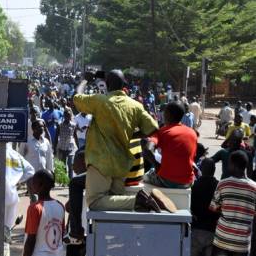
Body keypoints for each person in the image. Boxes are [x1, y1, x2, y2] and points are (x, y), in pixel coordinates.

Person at [73, 70, 173, 212]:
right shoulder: (135, 106)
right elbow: (154, 128)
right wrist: (131, 135)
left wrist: (84, 81)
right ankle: (140, 202)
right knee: (114, 205)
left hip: (100, 163)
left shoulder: (99, 101)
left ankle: (139, 199)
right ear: (124, 84)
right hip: (122, 165)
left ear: (107, 84)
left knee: (94, 202)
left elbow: (77, 98)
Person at [208, 150, 256, 256]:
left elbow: (213, 207)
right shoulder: (254, 187)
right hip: (241, 241)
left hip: (222, 238)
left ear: (233, 165)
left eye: (229, 163)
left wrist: (226, 209)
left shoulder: (223, 183)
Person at [17, 170, 65, 256]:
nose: (31, 184)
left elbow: (31, 240)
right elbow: (61, 235)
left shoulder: (35, 208)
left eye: (33, 181)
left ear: (40, 185)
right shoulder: (60, 205)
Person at [144, 101, 197, 189]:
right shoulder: (193, 133)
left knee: (145, 176)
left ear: (168, 114)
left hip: (167, 181)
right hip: (188, 182)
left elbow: (148, 149)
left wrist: (157, 166)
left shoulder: (163, 131)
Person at [0, 143, 35, 229]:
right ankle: (6, 242)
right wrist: (17, 181)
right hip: (12, 197)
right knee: (7, 228)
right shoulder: (16, 155)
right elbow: (30, 171)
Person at [190, 158, 219, 256]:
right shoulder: (218, 186)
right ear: (214, 170)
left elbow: (190, 208)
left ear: (201, 169)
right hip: (213, 232)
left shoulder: (195, 186)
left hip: (197, 230)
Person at [55, 108, 77, 177]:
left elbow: (75, 136)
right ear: (64, 116)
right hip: (62, 147)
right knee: (63, 165)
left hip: (70, 147)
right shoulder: (59, 125)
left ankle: (71, 180)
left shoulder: (73, 125)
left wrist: (78, 147)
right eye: (67, 115)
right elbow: (56, 137)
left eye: (69, 116)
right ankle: (65, 180)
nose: (68, 117)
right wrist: (54, 147)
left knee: (70, 165)